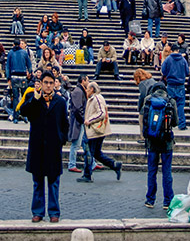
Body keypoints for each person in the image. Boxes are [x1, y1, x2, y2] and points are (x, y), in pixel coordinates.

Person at [20, 70, 68, 222]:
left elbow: (64, 123)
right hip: (38, 146)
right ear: (40, 84)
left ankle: (54, 212)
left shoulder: (60, 102)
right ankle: (37, 212)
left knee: (54, 183)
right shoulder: (33, 98)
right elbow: (24, 112)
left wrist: (62, 139)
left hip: (54, 147)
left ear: (55, 84)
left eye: (51, 83)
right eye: (45, 82)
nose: (48, 86)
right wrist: (35, 98)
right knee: (38, 182)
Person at [140, 80, 178, 208]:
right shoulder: (170, 101)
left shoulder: (148, 100)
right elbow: (175, 122)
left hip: (151, 141)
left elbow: (143, 117)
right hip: (166, 141)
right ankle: (167, 201)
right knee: (167, 172)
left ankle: (150, 199)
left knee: (152, 171)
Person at [77, 82, 122, 183]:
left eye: (88, 89)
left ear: (92, 89)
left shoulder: (96, 98)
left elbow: (101, 113)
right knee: (96, 153)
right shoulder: (95, 98)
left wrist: (90, 120)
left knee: (89, 152)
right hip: (96, 130)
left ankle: (87, 175)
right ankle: (114, 165)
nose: (86, 91)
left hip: (94, 131)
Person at [161, 44, 189, 130]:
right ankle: (182, 124)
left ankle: (169, 123)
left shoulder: (168, 59)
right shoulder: (183, 60)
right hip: (180, 85)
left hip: (171, 84)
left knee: (169, 105)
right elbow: (187, 72)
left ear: (171, 50)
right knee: (180, 105)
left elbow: (163, 71)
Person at [6, 39, 33, 123]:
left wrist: (8, 77)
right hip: (23, 76)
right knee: (24, 97)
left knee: (15, 98)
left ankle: (16, 116)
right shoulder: (24, 52)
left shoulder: (11, 52)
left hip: (14, 76)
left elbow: (8, 66)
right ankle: (24, 115)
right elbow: (29, 64)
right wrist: (30, 71)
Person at [67, 75, 89, 173]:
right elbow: (77, 108)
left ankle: (91, 163)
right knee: (76, 144)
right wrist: (82, 119)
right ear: (83, 81)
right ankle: (72, 164)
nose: (88, 82)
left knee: (84, 143)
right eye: (87, 80)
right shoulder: (78, 91)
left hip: (80, 120)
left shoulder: (80, 91)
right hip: (78, 121)